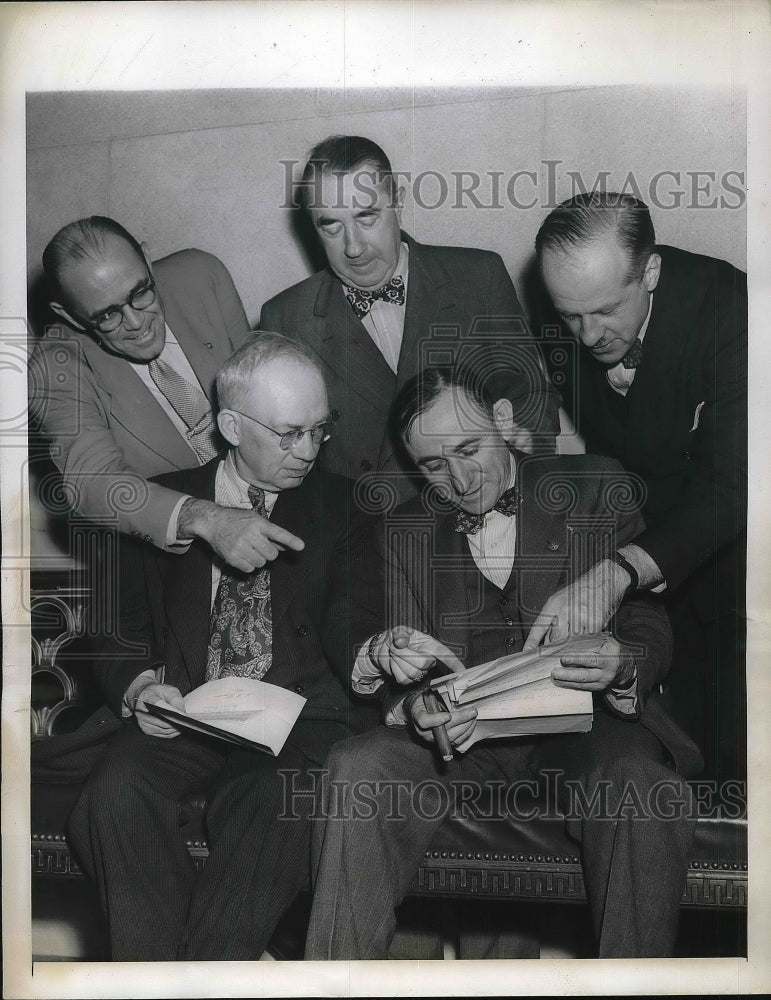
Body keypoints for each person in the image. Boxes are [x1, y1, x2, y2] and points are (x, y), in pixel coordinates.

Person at [304, 365, 702, 961]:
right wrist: (417, 704)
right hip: (460, 748)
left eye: (469, 449)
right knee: (355, 769)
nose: (460, 480)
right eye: (435, 466)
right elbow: (397, 677)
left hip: (587, 731)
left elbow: (646, 619)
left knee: (639, 787)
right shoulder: (401, 532)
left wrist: (623, 661)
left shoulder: (595, 485)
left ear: (505, 424)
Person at [66, 333, 380, 960]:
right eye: (289, 433)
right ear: (232, 426)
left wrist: (373, 657)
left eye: (321, 430)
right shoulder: (164, 500)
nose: (309, 451)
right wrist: (138, 686)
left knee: (272, 799)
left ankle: (205, 979)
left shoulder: (346, 505)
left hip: (300, 721)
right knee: (118, 790)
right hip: (184, 710)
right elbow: (112, 627)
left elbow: (355, 618)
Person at [529, 192, 747, 782]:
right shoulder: (571, 314)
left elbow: (733, 486)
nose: (588, 335)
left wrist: (617, 571)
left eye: (604, 311)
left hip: (742, 568)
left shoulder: (733, 310)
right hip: (656, 571)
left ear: (649, 271)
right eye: (570, 316)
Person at [259, 135, 561, 500]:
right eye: (331, 226)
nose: (353, 247)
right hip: (369, 533)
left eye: (366, 216)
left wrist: (524, 448)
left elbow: (530, 393)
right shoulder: (286, 319)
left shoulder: (478, 276)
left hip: (486, 501)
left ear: (398, 201)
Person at [29, 216, 302, 572]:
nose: (136, 322)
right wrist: (206, 518)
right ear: (71, 316)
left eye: (140, 293)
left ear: (146, 258)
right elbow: (90, 481)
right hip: (175, 559)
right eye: (108, 315)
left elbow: (261, 393)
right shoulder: (53, 366)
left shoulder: (201, 276)